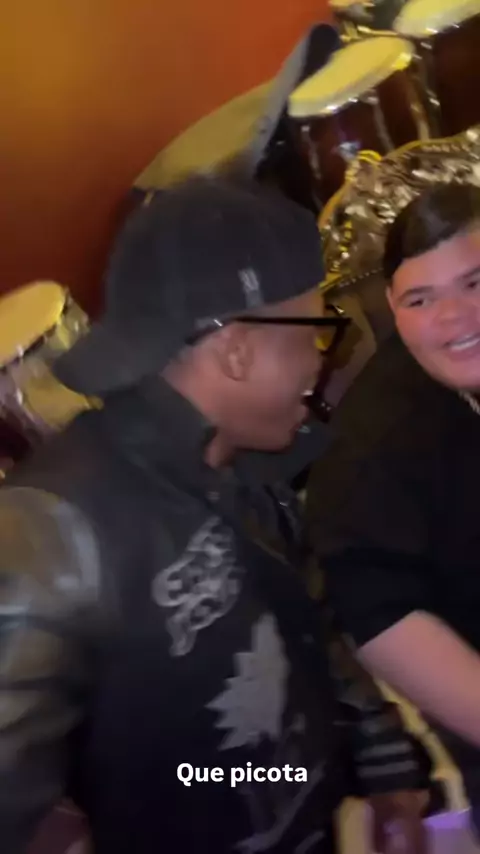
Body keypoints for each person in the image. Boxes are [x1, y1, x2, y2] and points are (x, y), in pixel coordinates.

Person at [1, 177, 430, 854]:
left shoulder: (244, 464)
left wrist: (382, 759)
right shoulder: (54, 530)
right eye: (315, 334)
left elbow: (309, 620)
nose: (322, 361)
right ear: (237, 351)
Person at [306, 182, 480, 835]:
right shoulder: (371, 454)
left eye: (475, 282)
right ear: (393, 312)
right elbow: (380, 615)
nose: (457, 319)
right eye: (421, 300)